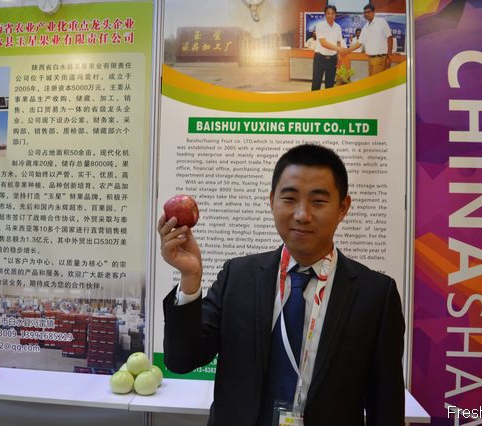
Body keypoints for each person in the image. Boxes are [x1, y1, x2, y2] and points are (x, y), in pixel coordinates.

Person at [158, 144, 405, 425]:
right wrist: (190, 279)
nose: (302, 214)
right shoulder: (237, 277)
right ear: (272, 200)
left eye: (318, 201)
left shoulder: (375, 295)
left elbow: (386, 405)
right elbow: (182, 360)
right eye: (289, 198)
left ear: (342, 208)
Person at [347, 3, 393, 75]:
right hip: (370, 58)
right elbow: (359, 43)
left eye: (368, 12)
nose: (366, 14)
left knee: (376, 80)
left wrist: (389, 57)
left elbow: (390, 38)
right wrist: (347, 50)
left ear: (374, 12)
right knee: (372, 79)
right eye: (365, 12)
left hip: (380, 58)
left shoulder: (381, 22)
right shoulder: (365, 27)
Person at [311, 5, 345, 90]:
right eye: (328, 13)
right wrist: (338, 49)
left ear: (335, 15)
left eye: (332, 13)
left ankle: (328, 99)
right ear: (325, 14)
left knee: (330, 85)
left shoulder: (338, 27)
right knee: (316, 84)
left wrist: (338, 57)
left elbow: (338, 42)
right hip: (320, 58)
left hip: (332, 60)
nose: (330, 15)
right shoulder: (320, 25)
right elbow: (323, 43)